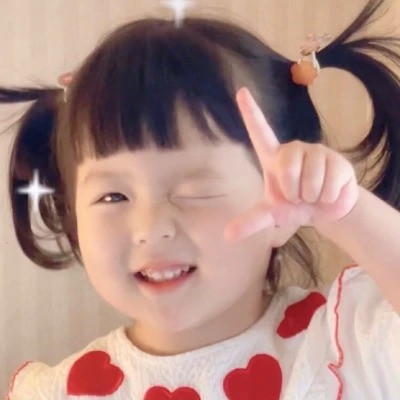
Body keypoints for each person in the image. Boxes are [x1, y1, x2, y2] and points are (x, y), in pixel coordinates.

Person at [2, 0, 400, 398]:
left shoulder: (347, 343)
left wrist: (347, 213)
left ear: (283, 211)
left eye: (195, 191)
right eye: (113, 196)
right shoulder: (54, 393)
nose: (151, 228)